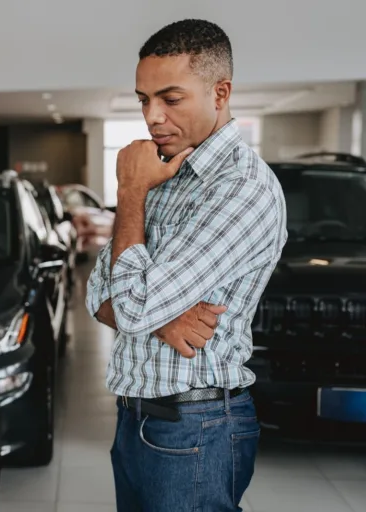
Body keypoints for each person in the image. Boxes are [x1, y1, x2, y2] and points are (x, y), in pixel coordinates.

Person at [86, 19, 287, 511]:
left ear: (220, 93)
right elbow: (96, 293)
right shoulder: (167, 173)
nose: (152, 116)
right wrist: (162, 318)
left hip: (194, 428)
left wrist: (130, 192)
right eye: (143, 99)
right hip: (137, 418)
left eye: (170, 99)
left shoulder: (241, 188)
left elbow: (128, 307)